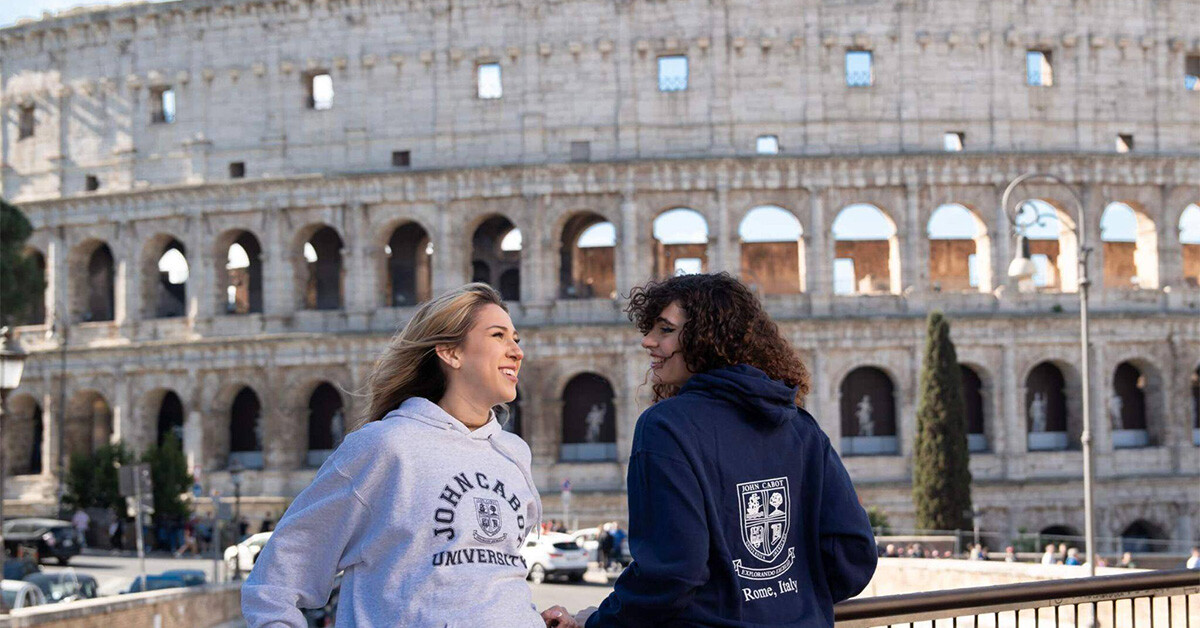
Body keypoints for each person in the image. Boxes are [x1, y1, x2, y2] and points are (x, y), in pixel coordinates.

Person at [242, 284, 576, 628]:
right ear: (450, 352)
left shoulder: (514, 453)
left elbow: (483, 579)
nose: (517, 351)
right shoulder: (386, 446)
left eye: (516, 339)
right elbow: (275, 582)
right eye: (498, 336)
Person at [579, 273, 877, 627]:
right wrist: (794, 602)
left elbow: (672, 572)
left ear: (707, 337)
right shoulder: (799, 424)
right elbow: (853, 554)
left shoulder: (666, 427)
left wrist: (600, 622)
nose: (647, 341)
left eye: (665, 330)